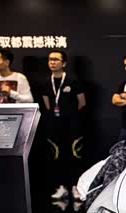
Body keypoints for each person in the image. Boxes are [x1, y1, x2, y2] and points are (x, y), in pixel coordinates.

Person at [42, 50, 87, 201]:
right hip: (54, 125)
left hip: (73, 125)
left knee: (75, 155)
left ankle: (76, 187)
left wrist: (71, 115)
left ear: (64, 63)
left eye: (56, 59)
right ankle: (61, 187)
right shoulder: (46, 81)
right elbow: (47, 104)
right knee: (56, 157)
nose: (52, 62)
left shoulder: (73, 80)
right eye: (50, 59)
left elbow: (82, 102)